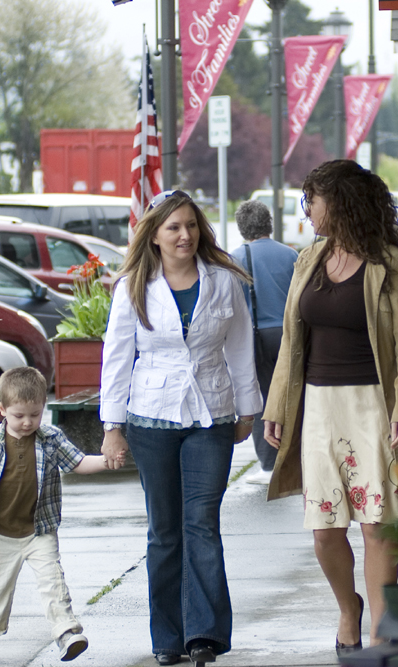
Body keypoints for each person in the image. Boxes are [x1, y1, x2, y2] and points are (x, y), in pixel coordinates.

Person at [261, 160, 398, 652]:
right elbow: (293, 342)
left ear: (338, 203)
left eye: (312, 201)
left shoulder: (391, 262)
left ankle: (381, 629)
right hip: (317, 407)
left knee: (378, 523)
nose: (307, 211)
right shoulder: (308, 258)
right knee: (324, 530)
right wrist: (277, 406)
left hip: (372, 407)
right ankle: (347, 607)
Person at [99, 189, 261, 667]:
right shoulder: (132, 285)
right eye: (173, 227)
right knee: (164, 531)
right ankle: (167, 637)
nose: (184, 235)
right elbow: (116, 356)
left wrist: (247, 408)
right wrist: (113, 425)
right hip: (151, 414)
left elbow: (240, 346)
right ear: (154, 236)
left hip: (211, 415)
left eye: (191, 225)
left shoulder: (224, 281)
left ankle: (204, 635)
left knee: (202, 524)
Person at [0, 366, 126, 666]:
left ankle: (67, 632)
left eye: (35, 414)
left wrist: (106, 462)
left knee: (53, 581)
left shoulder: (50, 438)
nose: (28, 422)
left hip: (38, 530)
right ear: (2, 409)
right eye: (19, 415)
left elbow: (77, 462)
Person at [229, 199, 299, 482]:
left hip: (252, 338)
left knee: (260, 399)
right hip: (287, 335)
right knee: (290, 395)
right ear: (269, 223)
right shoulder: (291, 255)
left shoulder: (233, 258)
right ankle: (296, 453)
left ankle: (269, 462)